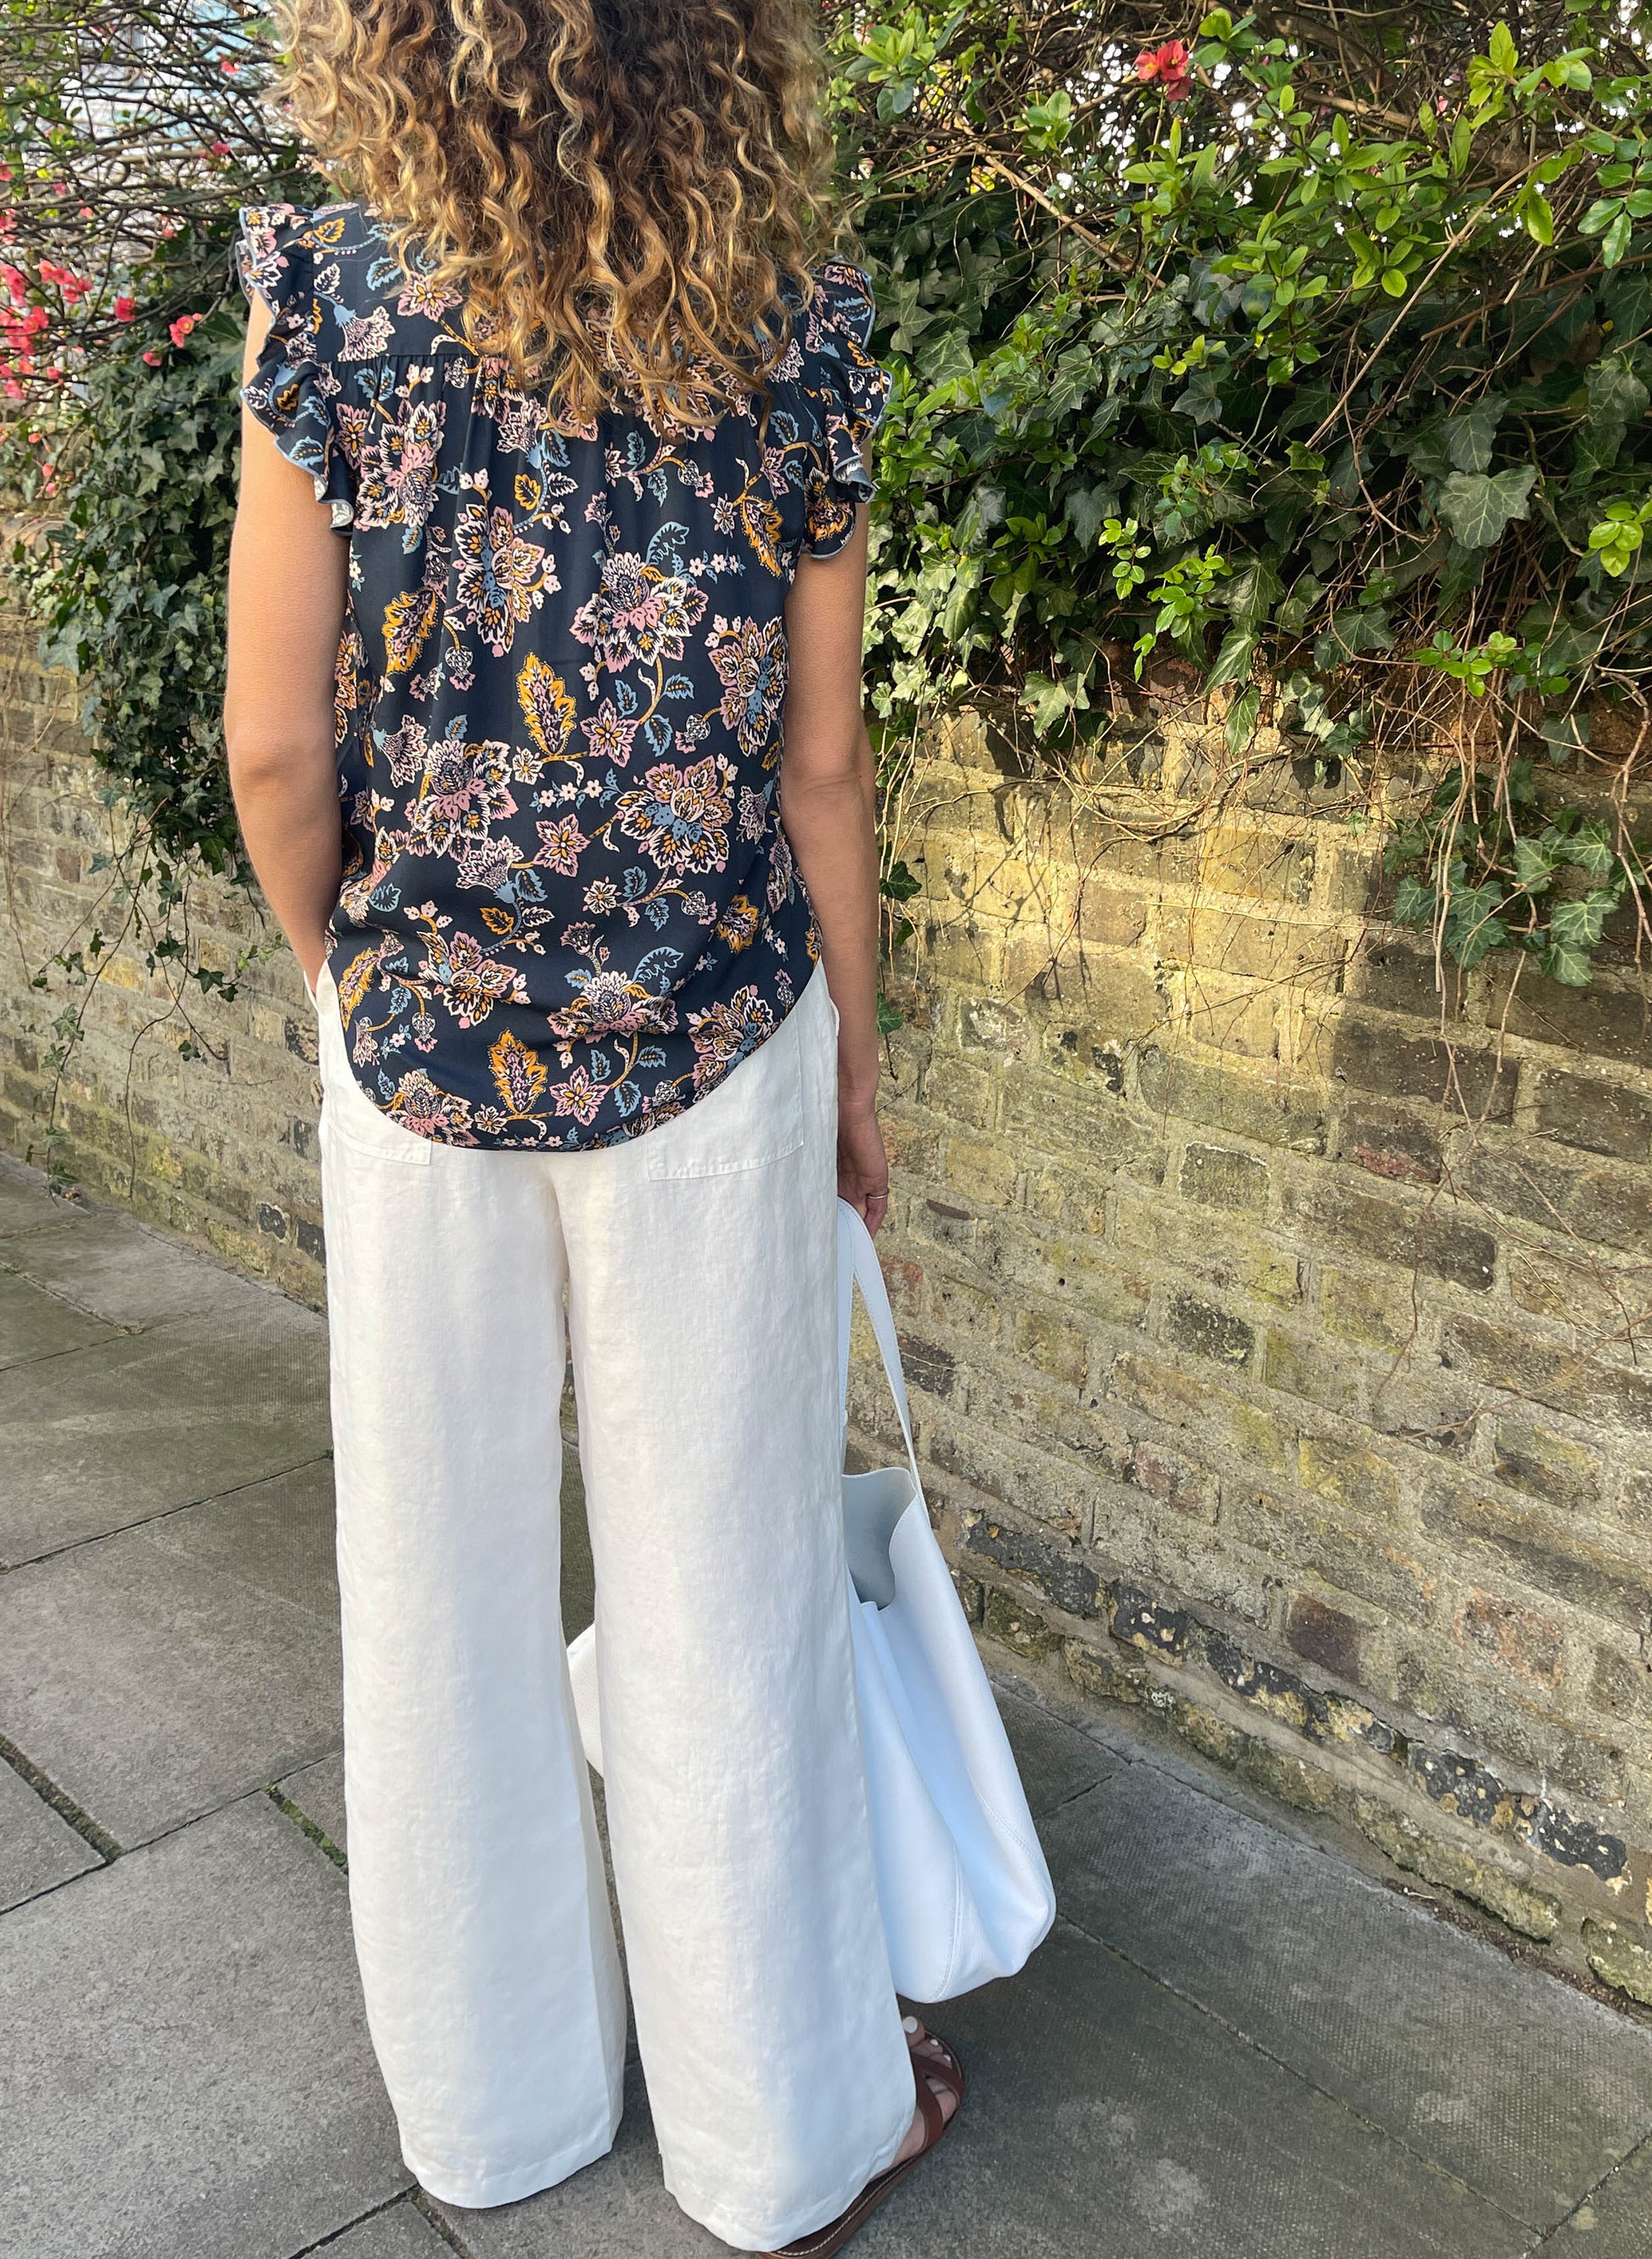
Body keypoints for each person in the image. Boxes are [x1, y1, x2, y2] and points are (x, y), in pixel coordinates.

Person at [221, 0, 964, 2251]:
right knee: (727, 1593)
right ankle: (779, 2139)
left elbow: (273, 748)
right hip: (714, 1046)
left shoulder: (329, 299)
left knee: (431, 1593)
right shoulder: (802, 326)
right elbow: (820, 764)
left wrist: (349, 977)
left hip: (417, 1060)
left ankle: (497, 2109)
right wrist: (855, 1071)